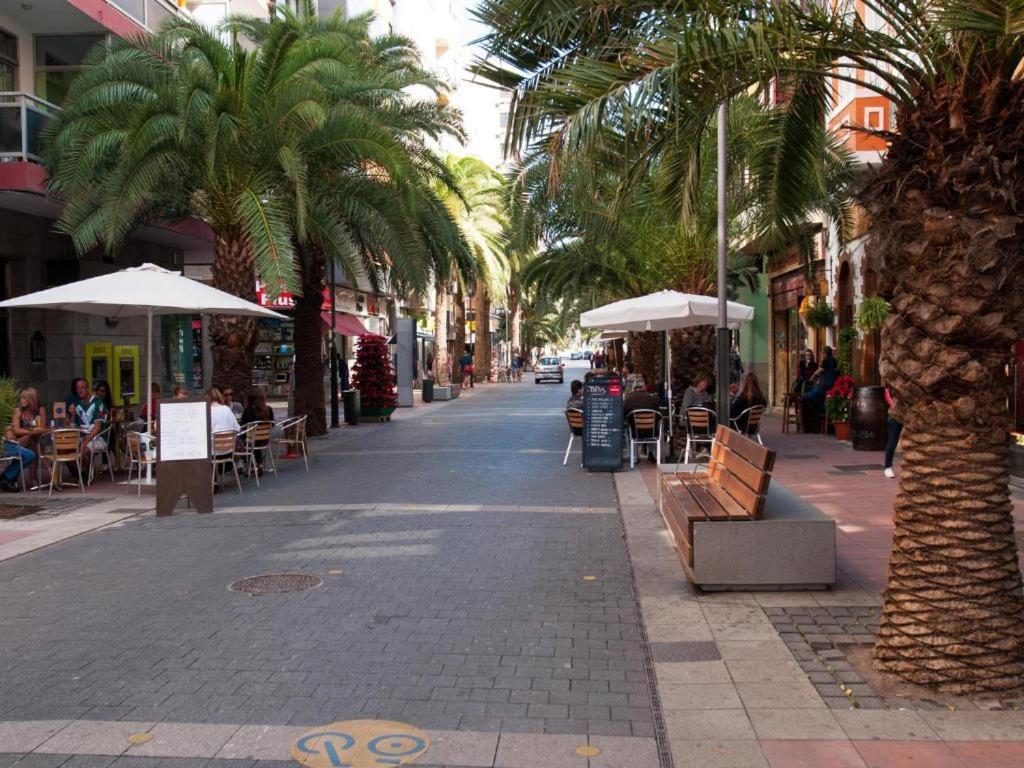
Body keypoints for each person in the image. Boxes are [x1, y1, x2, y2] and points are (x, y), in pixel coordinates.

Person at [4, 388, 43, 491]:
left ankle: (30, 479)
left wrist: (36, 431)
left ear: (31, 399)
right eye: (21, 397)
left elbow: (39, 428)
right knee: (32, 442)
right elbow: (16, 431)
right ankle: (7, 477)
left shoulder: (35, 415)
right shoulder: (18, 411)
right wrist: (31, 432)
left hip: (24, 443)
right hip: (11, 444)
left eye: (24, 398)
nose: (21, 400)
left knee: (33, 445)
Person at [74, 379, 111, 475]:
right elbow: (73, 425)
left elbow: (97, 428)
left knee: (84, 448)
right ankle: (83, 470)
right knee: (65, 448)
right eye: (78, 388)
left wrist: (86, 440)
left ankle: (89, 472)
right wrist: (71, 414)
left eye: (82, 387)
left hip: (99, 437)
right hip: (83, 435)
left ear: (87, 388)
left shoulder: (98, 403)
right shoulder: (77, 405)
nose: (80, 390)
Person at [241, 389, 275, 471]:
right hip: (265, 440)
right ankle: (259, 463)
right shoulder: (269, 409)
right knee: (254, 439)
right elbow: (272, 424)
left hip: (251, 441)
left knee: (241, 439)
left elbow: (243, 426)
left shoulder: (248, 411)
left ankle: (250, 464)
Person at [883, 387, 902, 479]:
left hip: (911, 415)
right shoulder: (891, 386)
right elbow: (889, 398)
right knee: (892, 442)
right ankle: (888, 467)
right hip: (895, 416)